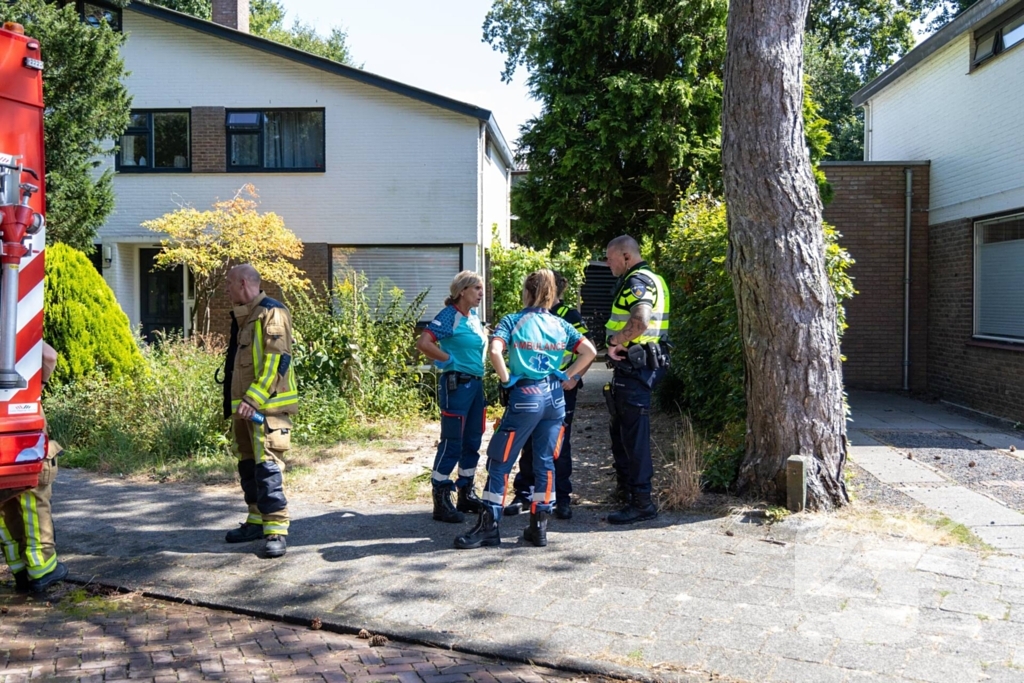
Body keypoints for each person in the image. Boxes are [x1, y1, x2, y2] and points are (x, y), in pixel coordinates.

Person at [456, 270, 597, 550]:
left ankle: (489, 526)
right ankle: (538, 528)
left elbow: (496, 351)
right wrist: (568, 376)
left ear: (527, 292)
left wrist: (507, 379)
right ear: (551, 293)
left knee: (501, 460)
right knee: (545, 461)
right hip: (555, 399)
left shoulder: (513, 320)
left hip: (525, 397)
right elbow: (590, 351)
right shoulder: (561, 325)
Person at [221, 264, 297, 558]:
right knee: (249, 466)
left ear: (243, 283)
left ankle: (276, 530)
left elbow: (277, 361)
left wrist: (252, 399)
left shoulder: (272, 312)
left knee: (267, 468)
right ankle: (256, 521)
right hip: (244, 409)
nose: (226, 289)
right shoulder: (247, 316)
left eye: (229, 283)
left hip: (266, 408)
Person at [504, 272, 590, 520]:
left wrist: (571, 378)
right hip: (531, 389)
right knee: (527, 442)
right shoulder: (527, 317)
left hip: (559, 390)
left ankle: (561, 497)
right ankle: (524, 493)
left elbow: (588, 348)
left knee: (557, 446)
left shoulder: (567, 317)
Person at [604, 235, 671, 525]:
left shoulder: (636, 282)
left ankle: (641, 502)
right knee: (626, 430)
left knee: (634, 435)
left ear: (626, 257)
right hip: (644, 364)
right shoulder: (654, 278)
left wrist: (615, 340)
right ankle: (630, 492)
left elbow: (641, 320)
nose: (607, 264)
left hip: (635, 367)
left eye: (610, 258)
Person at [415, 271, 488, 524]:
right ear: (461, 291)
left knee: (472, 441)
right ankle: (441, 500)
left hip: (476, 386)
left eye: (481, 288)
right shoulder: (449, 315)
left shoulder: (474, 317)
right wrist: (448, 360)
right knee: (452, 442)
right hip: (457, 386)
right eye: (476, 288)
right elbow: (424, 343)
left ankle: (465, 493)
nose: (481, 293)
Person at [0, 342, 67, 592]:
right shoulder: (13, 316)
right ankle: (42, 569)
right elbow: (48, 356)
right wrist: (34, 389)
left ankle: (17, 567)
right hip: (18, 408)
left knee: (3, 492)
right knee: (32, 486)